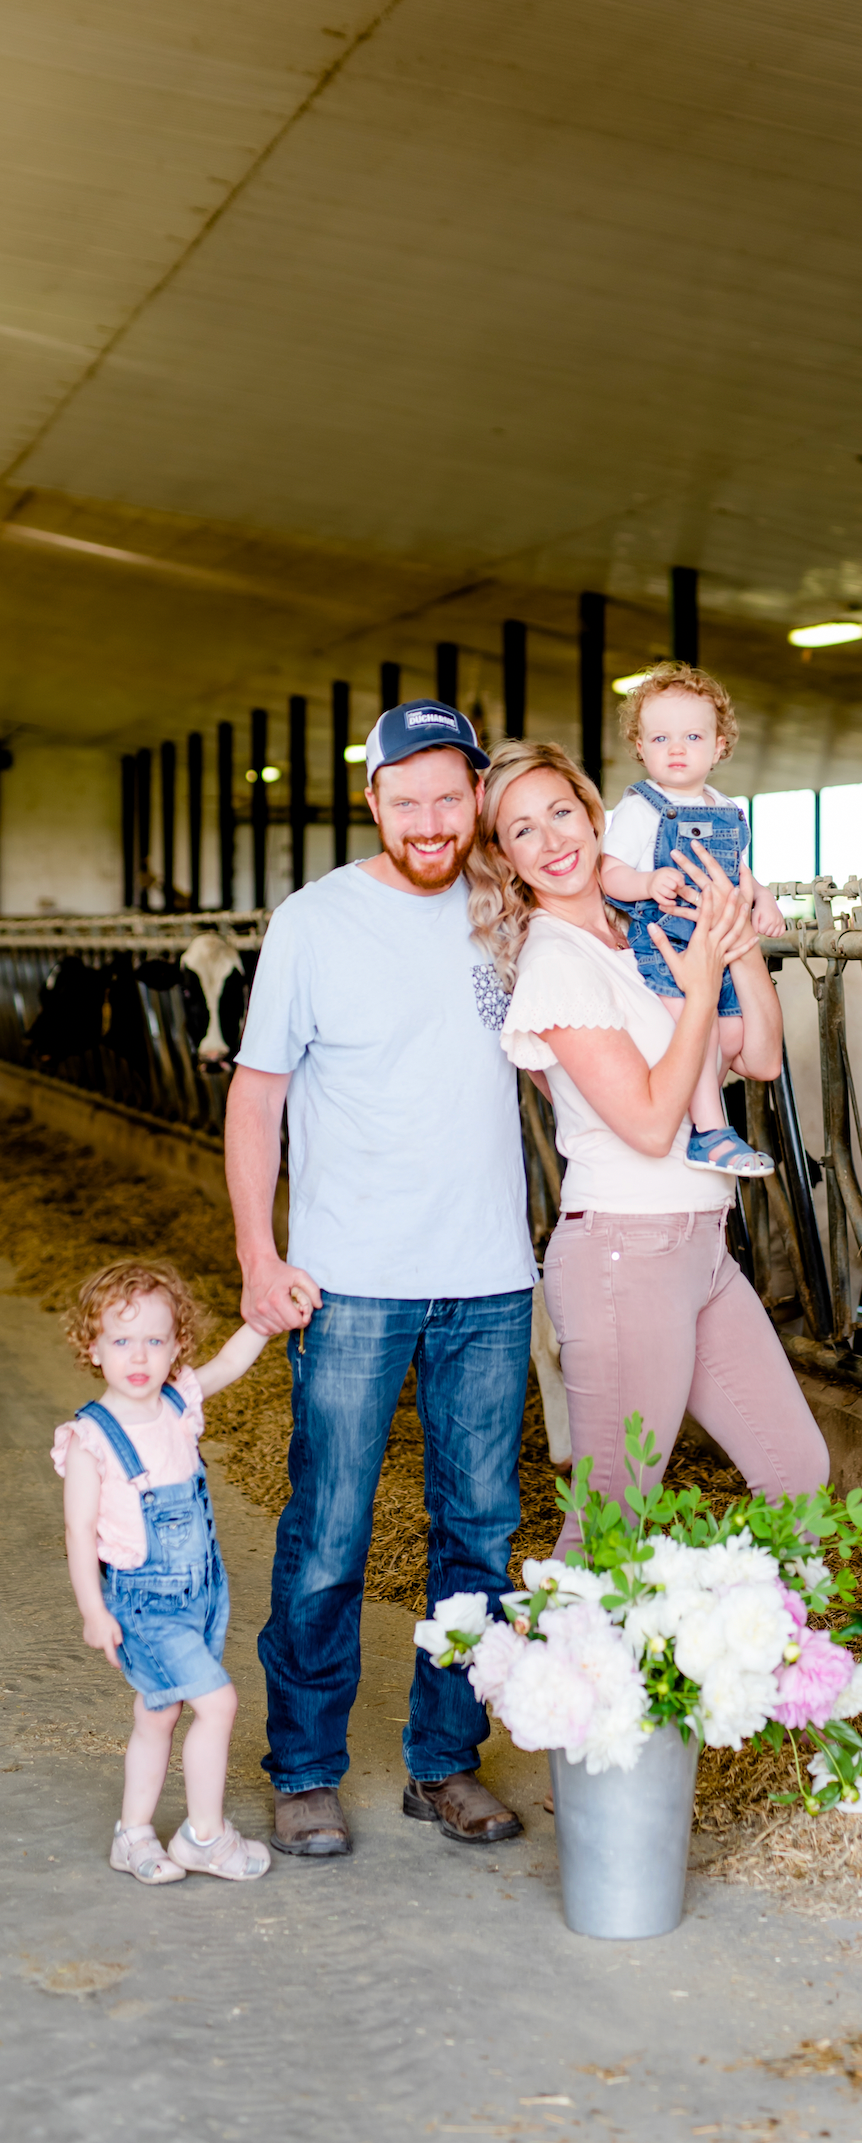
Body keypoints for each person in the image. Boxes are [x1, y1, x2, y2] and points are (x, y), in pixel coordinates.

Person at [226, 698, 536, 1859]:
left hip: (490, 1280)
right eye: (405, 799)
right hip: (350, 1281)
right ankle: (304, 1767)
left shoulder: (507, 907)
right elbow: (257, 1092)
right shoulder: (316, 921)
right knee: (327, 1532)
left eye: (449, 797)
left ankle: (442, 1763)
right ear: (374, 801)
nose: (429, 819)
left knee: (480, 1535)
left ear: (473, 799)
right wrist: (261, 1254)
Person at [466, 739, 829, 1555]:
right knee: (613, 1514)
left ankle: (740, 1664)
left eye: (562, 812)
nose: (553, 840)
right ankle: (540, 1680)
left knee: (797, 1471)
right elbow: (652, 1124)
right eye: (522, 831)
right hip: (624, 1250)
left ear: (596, 817)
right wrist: (702, 991)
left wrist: (737, 950)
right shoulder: (554, 965)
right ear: (503, 856)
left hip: (701, 1244)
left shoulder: (638, 931)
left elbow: (762, 1059)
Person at [55, 1260, 272, 1884]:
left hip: (203, 1593)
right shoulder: (91, 1439)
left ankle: (133, 1834)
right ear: (92, 1347)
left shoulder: (177, 1402)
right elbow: (78, 1531)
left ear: (179, 1344)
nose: (139, 1356)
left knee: (159, 1715)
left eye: (156, 1339)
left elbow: (230, 1364)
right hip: (144, 1606)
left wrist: (263, 1318)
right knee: (219, 1704)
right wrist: (94, 1611)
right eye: (121, 1341)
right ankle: (205, 1837)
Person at [599, 662, 786, 1175]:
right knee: (699, 1033)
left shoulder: (726, 808)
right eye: (660, 737)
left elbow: (740, 872)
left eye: (693, 736)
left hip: (719, 947)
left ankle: (695, 1110)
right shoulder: (641, 808)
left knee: (729, 1035)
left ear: (720, 745)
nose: (676, 748)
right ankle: (710, 1131)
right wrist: (645, 884)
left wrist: (764, 901)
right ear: (640, 746)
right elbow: (608, 871)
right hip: (668, 943)